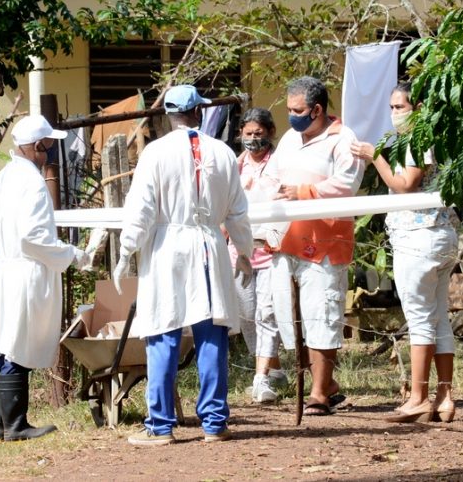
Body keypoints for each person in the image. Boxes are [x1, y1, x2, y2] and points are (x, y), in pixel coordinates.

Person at [114, 84, 253, 446]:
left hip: (167, 248)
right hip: (209, 244)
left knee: (163, 331)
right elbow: (238, 210)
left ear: (168, 115)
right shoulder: (222, 152)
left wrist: (126, 249)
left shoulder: (155, 153)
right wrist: (245, 251)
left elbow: (141, 209)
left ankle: (160, 426)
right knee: (212, 333)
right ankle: (214, 422)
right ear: (198, 112)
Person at [350, 82, 459, 423]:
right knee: (438, 316)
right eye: (393, 108)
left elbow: (405, 184)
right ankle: (444, 397)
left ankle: (418, 397)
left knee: (420, 319)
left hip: (419, 236)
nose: (396, 113)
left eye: (401, 107)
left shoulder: (420, 139)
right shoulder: (436, 135)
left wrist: (374, 157)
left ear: (420, 106)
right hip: (440, 235)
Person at [0, 114, 91, 441]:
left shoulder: (3, 178)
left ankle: (0, 425)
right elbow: (34, 238)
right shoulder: (30, 181)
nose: (50, 152)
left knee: (6, 347)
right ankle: (15, 425)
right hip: (26, 273)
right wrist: (71, 253)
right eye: (46, 146)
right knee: (19, 347)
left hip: (5, 269)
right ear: (34, 147)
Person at [260, 76, 363, 416]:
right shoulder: (289, 139)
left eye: (298, 110)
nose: (292, 116)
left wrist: (303, 192)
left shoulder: (343, 139)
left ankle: (319, 394)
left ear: (317, 110)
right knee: (292, 319)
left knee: (322, 315)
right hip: (285, 241)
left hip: (325, 245)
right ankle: (325, 383)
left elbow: (347, 185)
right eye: (289, 109)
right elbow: (271, 177)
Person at [229, 108, 288, 403]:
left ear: (271, 132)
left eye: (259, 134)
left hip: (270, 246)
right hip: (239, 249)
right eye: (248, 134)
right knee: (247, 315)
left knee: (267, 312)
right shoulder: (234, 165)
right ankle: (274, 368)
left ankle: (260, 379)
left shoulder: (280, 163)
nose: (253, 139)